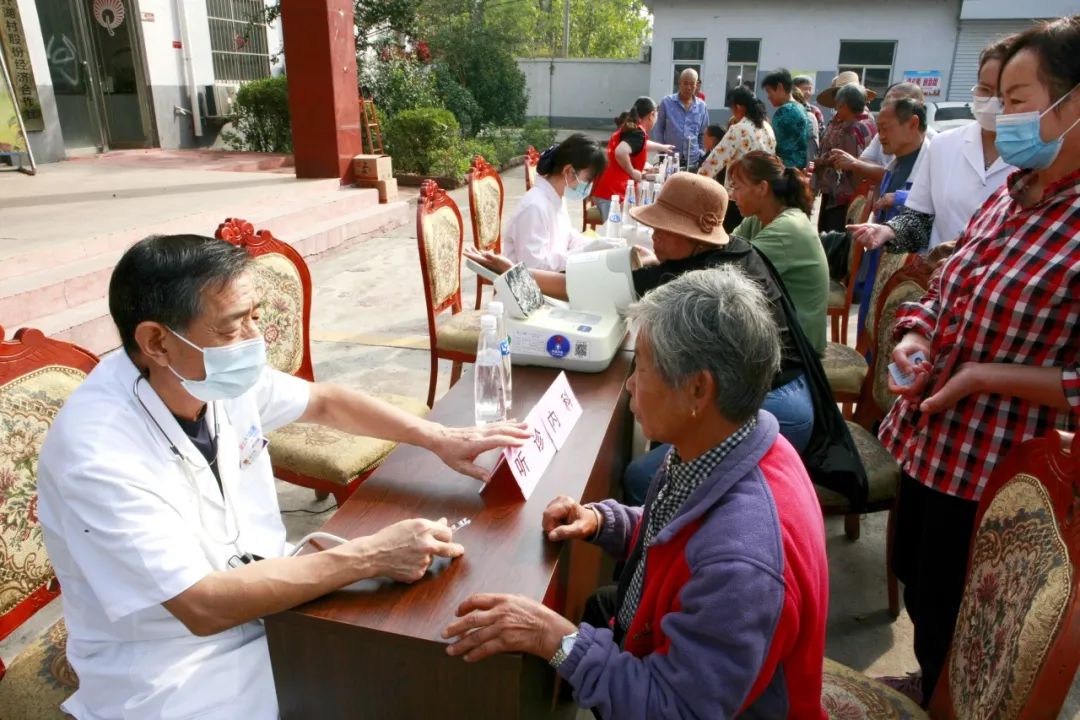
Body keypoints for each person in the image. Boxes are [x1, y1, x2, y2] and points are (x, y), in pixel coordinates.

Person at [36, 235, 531, 719]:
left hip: (270, 599)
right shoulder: (97, 453)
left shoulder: (206, 376)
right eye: (232, 328)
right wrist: (369, 556)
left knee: (418, 664)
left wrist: (438, 437)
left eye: (255, 317)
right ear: (156, 341)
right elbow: (201, 605)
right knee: (379, 687)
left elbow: (324, 402)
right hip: (174, 661)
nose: (255, 340)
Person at [442, 267, 829, 720]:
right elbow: (680, 530)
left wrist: (554, 638)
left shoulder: (741, 566)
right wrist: (606, 522)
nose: (629, 385)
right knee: (594, 607)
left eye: (641, 369)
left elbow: (673, 711)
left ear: (698, 389)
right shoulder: (734, 443)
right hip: (663, 638)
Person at [876, 15, 1080, 706]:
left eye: (1018, 100)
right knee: (924, 588)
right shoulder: (1012, 193)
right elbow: (948, 288)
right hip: (934, 444)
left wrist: (985, 376)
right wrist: (916, 338)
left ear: (1073, 103)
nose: (1002, 118)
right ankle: (931, 684)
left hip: (997, 468)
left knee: (969, 616)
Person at [467, 173, 816, 496]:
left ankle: (651, 539)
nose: (654, 237)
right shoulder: (731, 251)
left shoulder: (691, 279)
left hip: (773, 406)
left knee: (645, 477)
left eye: (663, 230)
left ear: (694, 237)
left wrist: (516, 272)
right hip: (780, 393)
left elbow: (575, 287)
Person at [849, 39, 1016, 254]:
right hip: (940, 269)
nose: (994, 100)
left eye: (1004, 92)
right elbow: (919, 217)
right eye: (985, 89)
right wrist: (890, 230)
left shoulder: (1038, 157)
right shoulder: (945, 145)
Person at [729, 151, 829, 355]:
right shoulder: (758, 218)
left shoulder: (786, 229)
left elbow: (729, 271)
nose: (732, 195)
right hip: (780, 331)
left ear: (762, 188)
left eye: (737, 188)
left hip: (799, 348)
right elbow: (726, 246)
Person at [849, 97, 930, 331]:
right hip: (881, 258)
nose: (880, 136)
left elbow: (933, 205)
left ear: (913, 123)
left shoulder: (934, 160)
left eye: (885, 128)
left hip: (910, 271)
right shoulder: (895, 164)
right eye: (879, 129)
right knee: (870, 322)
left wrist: (900, 198)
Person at [503, 134, 607, 271]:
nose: (588, 185)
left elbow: (568, 236)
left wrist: (596, 245)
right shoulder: (534, 207)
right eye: (588, 179)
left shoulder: (556, 197)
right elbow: (534, 267)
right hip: (528, 282)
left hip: (549, 276)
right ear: (569, 171)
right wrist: (582, 253)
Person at [697, 86, 777, 232]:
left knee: (733, 237)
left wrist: (694, 183)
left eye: (732, 109)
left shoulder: (739, 129)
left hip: (739, 196)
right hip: (763, 193)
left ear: (739, 107)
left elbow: (714, 162)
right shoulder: (767, 127)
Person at [591, 97, 676, 222]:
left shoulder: (631, 129)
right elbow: (621, 151)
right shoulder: (637, 133)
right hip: (613, 192)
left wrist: (662, 147)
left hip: (606, 189)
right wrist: (632, 171)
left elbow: (640, 145)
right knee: (617, 229)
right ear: (651, 115)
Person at [829, 82, 933, 185]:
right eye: (887, 102)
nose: (882, 136)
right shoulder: (885, 135)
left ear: (914, 123)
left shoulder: (934, 146)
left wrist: (858, 165)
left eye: (898, 103)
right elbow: (865, 161)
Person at [814, 80, 878, 233]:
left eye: (837, 105)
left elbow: (845, 162)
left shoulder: (850, 129)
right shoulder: (869, 123)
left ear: (843, 105)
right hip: (863, 192)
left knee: (834, 237)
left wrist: (822, 161)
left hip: (842, 195)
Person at [653, 68, 710, 168]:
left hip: (693, 161)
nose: (688, 87)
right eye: (685, 83)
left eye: (692, 84)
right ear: (679, 83)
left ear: (696, 85)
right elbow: (658, 129)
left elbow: (703, 133)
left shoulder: (702, 106)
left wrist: (701, 152)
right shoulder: (666, 102)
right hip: (670, 160)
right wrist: (662, 152)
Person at [763, 68, 812, 169]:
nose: (768, 97)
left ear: (780, 87)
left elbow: (771, 144)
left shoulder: (784, 111)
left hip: (784, 169)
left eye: (769, 91)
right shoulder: (800, 107)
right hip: (798, 169)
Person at [794, 75, 825, 156]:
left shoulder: (815, 111)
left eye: (810, 89)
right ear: (795, 90)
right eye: (805, 89)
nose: (808, 92)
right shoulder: (787, 109)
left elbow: (821, 134)